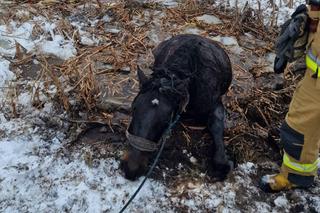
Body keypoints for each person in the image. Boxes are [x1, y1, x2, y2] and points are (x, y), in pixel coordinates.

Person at [260, 0, 320, 192]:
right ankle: (298, 174)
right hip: (314, 80)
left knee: (298, 129)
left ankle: (295, 177)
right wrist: (311, 17)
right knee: (303, 130)